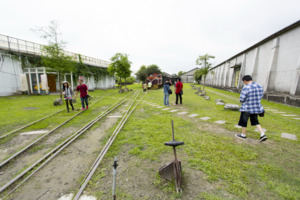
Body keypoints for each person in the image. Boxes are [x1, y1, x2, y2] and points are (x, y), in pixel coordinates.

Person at [235, 75, 267, 142]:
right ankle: (262, 134)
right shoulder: (259, 86)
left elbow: (242, 99)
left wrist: (242, 101)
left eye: (244, 82)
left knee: (244, 121)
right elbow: (261, 96)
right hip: (256, 108)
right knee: (255, 121)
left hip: (246, 107)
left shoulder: (246, 87)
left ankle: (243, 135)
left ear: (245, 81)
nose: (244, 83)